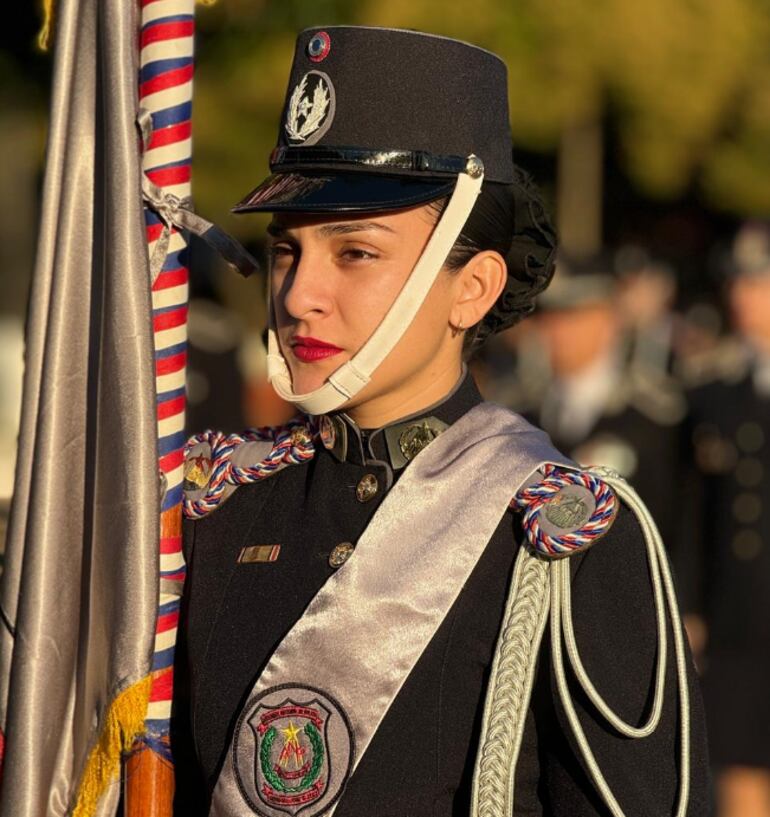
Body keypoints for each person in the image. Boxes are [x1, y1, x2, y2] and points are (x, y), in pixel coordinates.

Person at [174, 27, 710, 817]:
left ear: (473, 288)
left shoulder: (559, 538)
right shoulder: (217, 502)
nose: (298, 295)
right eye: (287, 252)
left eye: (355, 252)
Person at [676, 222, 770, 817]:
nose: (741, 294)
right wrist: (693, 607)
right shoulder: (716, 398)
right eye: (737, 281)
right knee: (738, 772)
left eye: (758, 282)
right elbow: (698, 518)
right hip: (740, 621)